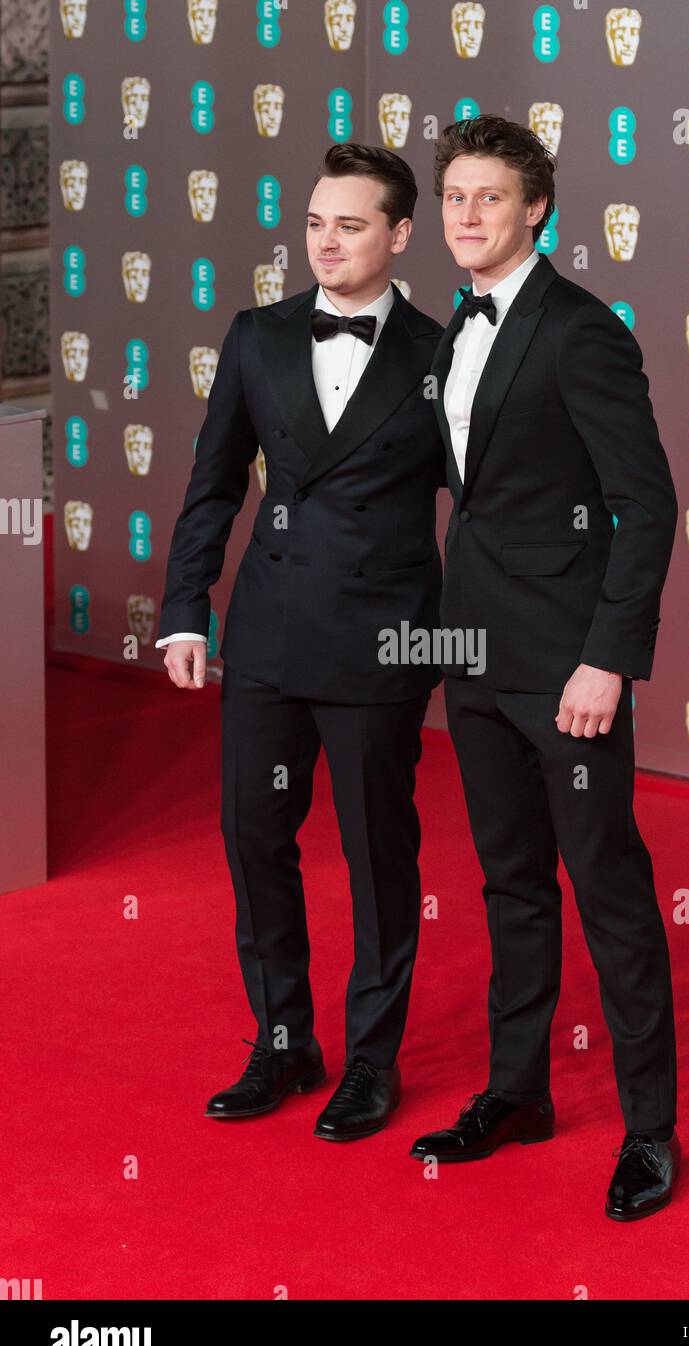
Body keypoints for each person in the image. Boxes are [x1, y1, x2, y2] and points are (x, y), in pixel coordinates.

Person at [409, 114, 681, 1221]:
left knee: (608, 892)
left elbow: (646, 503)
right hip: (472, 658)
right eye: (454, 198)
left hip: (565, 669)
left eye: (488, 198)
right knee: (510, 885)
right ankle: (517, 1092)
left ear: (536, 211)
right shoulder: (450, 332)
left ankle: (652, 1132)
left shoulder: (581, 332)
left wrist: (605, 662)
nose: (466, 217)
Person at [157, 143, 445, 1142]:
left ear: (400, 235)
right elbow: (214, 480)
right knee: (255, 839)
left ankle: (371, 1059)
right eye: (316, 222)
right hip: (269, 635)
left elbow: (492, 507)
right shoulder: (258, 336)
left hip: (383, 643)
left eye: (351, 224)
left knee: (376, 854)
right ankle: (283, 1040)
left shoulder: (440, 353)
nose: (326, 241)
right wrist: (185, 607)